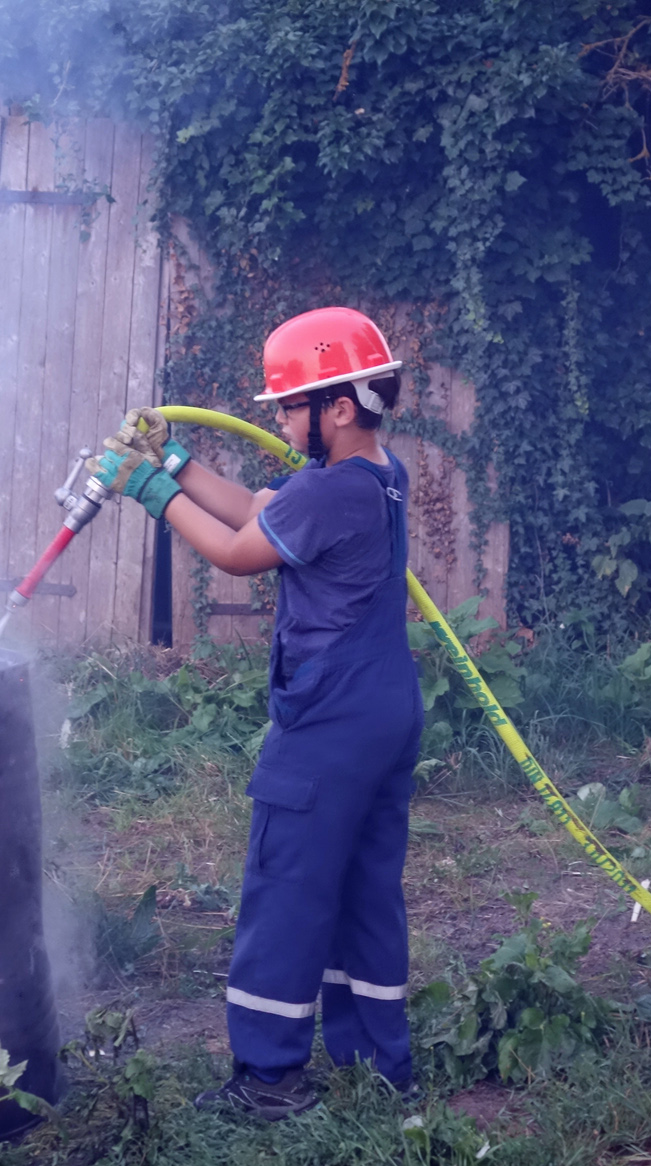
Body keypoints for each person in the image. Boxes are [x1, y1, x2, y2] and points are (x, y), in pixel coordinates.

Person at [91, 306, 422, 1119]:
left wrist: (148, 489)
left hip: (327, 721)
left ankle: (270, 1078)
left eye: (288, 406)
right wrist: (177, 462)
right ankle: (377, 1060)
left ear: (336, 407)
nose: (278, 421)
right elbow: (259, 511)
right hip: (385, 709)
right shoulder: (378, 475)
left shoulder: (332, 490)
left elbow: (240, 552)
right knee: (364, 888)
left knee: (287, 886)